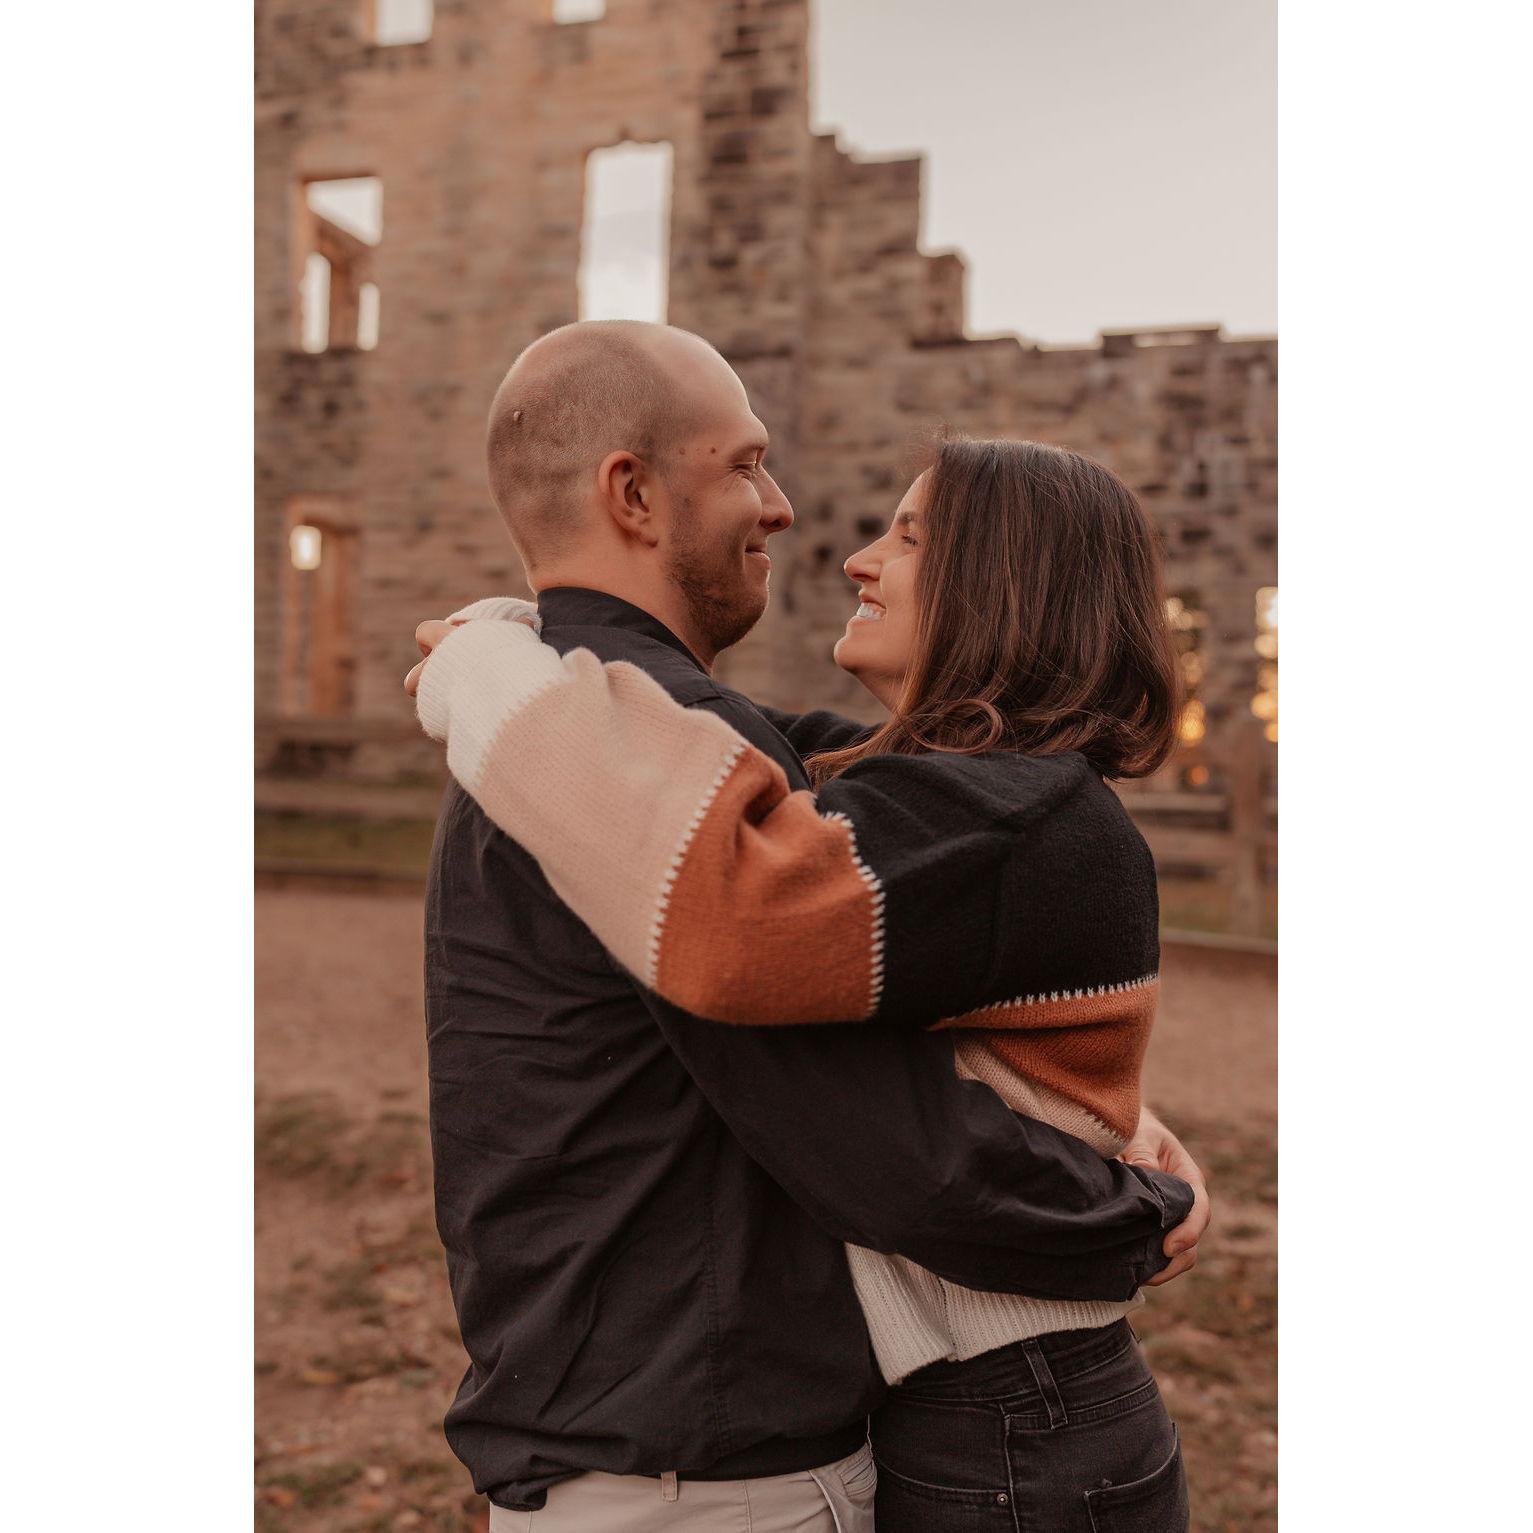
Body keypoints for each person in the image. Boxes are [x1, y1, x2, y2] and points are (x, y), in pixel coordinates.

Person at [411, 319, 1208, 1531]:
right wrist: (512, 650)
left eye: (910, 535)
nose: (831, 541)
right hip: (744, 1447)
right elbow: (792, 781)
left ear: (1005, 586)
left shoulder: (1000, 813)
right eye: (746, 464)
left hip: (1002, 1415)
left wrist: (495, 667)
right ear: (632, 495)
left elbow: (850, 1078)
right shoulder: (719, 768)